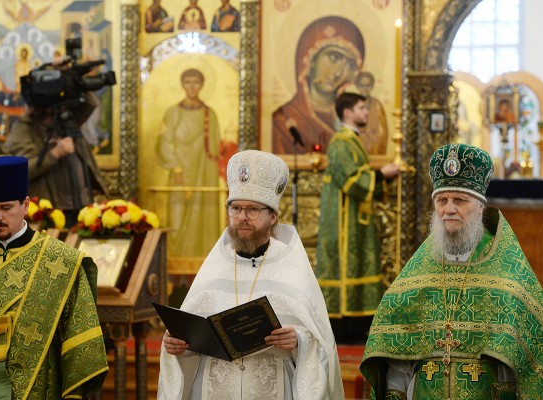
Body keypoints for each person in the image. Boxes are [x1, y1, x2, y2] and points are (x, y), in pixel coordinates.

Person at [360, 143, 543, 399]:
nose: (449, 209)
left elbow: (529, 367)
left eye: (460, 200)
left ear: (481, 207)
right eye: (442, 200)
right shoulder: (417, 274)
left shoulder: (508, 275)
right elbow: (395, 356)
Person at [158, 150, 344, 399]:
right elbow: (194, 339)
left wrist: (299, 342)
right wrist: (177, 344)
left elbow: (322, 346)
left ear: (273, 216)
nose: (242, 217)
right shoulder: (214, 268)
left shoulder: (293, 269)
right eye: (235, 208)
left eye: (253, 210)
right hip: (214, 388)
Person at [0, 155, 108, 398]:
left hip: (37, 387)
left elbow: (81, 338)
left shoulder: (63, 261)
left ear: (26, 205)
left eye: (6, 208)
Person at [316, 92, 400, 344]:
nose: (366, 113)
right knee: (346, 265)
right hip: (344, 223)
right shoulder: (341, 142)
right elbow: (351, 179)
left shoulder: (351, 140)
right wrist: (382, 174)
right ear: (348, 112)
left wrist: (380, 177)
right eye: (362, 108)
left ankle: (360, 324)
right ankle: (345, 329)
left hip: (355, 218)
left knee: (361, 263)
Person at [5, 87, 108, 228]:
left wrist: (72, 77)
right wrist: (55, 154)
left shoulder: (63, 120)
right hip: (53, 210)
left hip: (81, 204)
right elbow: (21, 171)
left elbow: (90, 104)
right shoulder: (23, 129)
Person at [272, 16, 364, 154]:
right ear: (310, 58)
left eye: (349, 65)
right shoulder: (284, 120)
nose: (339, 73)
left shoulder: (354, 119)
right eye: (334, 57)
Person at [156, 68, 221, 257]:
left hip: (203, 176)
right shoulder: (172, 113)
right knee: (176, 222)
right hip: (179, 176)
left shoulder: (210, 115)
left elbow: (216, 150)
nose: (192, 87)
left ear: (202, 85)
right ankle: (174, 267)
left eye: (196, 82)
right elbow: (163, 143)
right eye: (188, 82)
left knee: (202, 220)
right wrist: (176, 167)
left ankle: (204, 267)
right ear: (182, 84)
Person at [355, 71, 389, 155]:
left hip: (374, 146)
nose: (365, 89)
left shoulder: (377, 105)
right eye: (362, 85)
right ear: (357, 86)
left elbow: (383, 130)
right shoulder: (353, 104)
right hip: (356, 145)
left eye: (368, 85)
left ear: (372, 86)